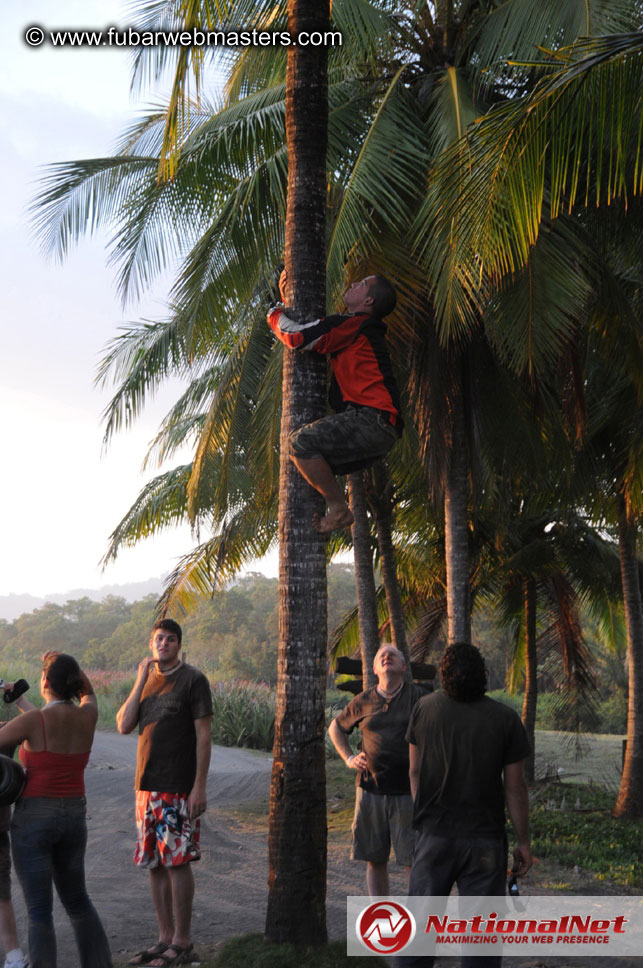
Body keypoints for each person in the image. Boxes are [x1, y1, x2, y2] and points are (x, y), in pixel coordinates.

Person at [399, 642, 532, 968]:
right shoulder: (506, 718)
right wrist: (524, 842)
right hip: (484, 843)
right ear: (483, 674)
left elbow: (414, 771)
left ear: (443, 674)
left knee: (419, 933)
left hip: (434, 839)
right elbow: (514, 788)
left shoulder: (424, 708)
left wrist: (425, 814)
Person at [267, 271, 403, 533]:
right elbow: (314, 328)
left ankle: (339, 508)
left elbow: (299, 337)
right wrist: (290, 300)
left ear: (369, 302)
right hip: (384, 429)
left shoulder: (354, 323)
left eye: (362, 284)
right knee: (315, 466)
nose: (354, 283)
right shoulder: (358, 329)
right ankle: (336, 506)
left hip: (372, 420)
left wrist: (274, 312)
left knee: (300, 443)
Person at [0, 653, 112, 968]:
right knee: (78, 902)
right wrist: (75, 675)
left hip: (34, 817)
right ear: (75, 683)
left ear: (45, 682)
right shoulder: (88, 714)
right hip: (75, 815)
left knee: (38, 911)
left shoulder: (34, 722)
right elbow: (87, 692)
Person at [117, 619, 213, 968]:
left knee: (177, 863)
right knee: (153, 865)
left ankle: (182, 942)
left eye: (171, 640)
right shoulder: (146, 682)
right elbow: (124, 725)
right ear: (151, 643)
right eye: (159, 639)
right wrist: (141, 679)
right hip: (145, 788)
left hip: (177, 788)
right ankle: (163, 938)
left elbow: (204, 736)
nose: (164, 644)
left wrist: (199, 786)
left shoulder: (193, 680)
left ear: (178, 645)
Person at [328, 644, 424, 896]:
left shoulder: (419, 698)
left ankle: (418, 923)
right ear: (373, 668)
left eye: (393, 655)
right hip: (370, 790)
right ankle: (382, 920)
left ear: (403, 667)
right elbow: (335, 728)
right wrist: (348, 757)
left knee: (412, 859)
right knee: (375, 858)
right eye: (381, 654)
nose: (386, 656)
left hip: (409, 791)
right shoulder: (364, 700)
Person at [0, 684, 34, 968]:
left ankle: (13, 956)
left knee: (1, 894)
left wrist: (18, 698)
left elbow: (41, 721)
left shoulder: (5, 732)